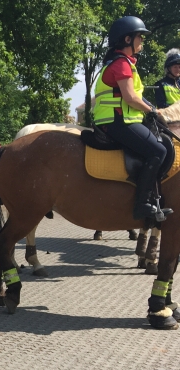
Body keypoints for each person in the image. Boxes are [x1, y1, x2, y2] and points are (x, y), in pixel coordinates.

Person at [93, 16, 173, 221]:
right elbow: (129, 98)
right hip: (116, 121)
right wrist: (152, 112)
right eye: (140, 37)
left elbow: (136, 96)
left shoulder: (125, 63)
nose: (142, 42)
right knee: (158, 150)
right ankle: (142, 204)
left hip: (120, 119)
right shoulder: (121, 64)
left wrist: (150, 108)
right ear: (127, 39)